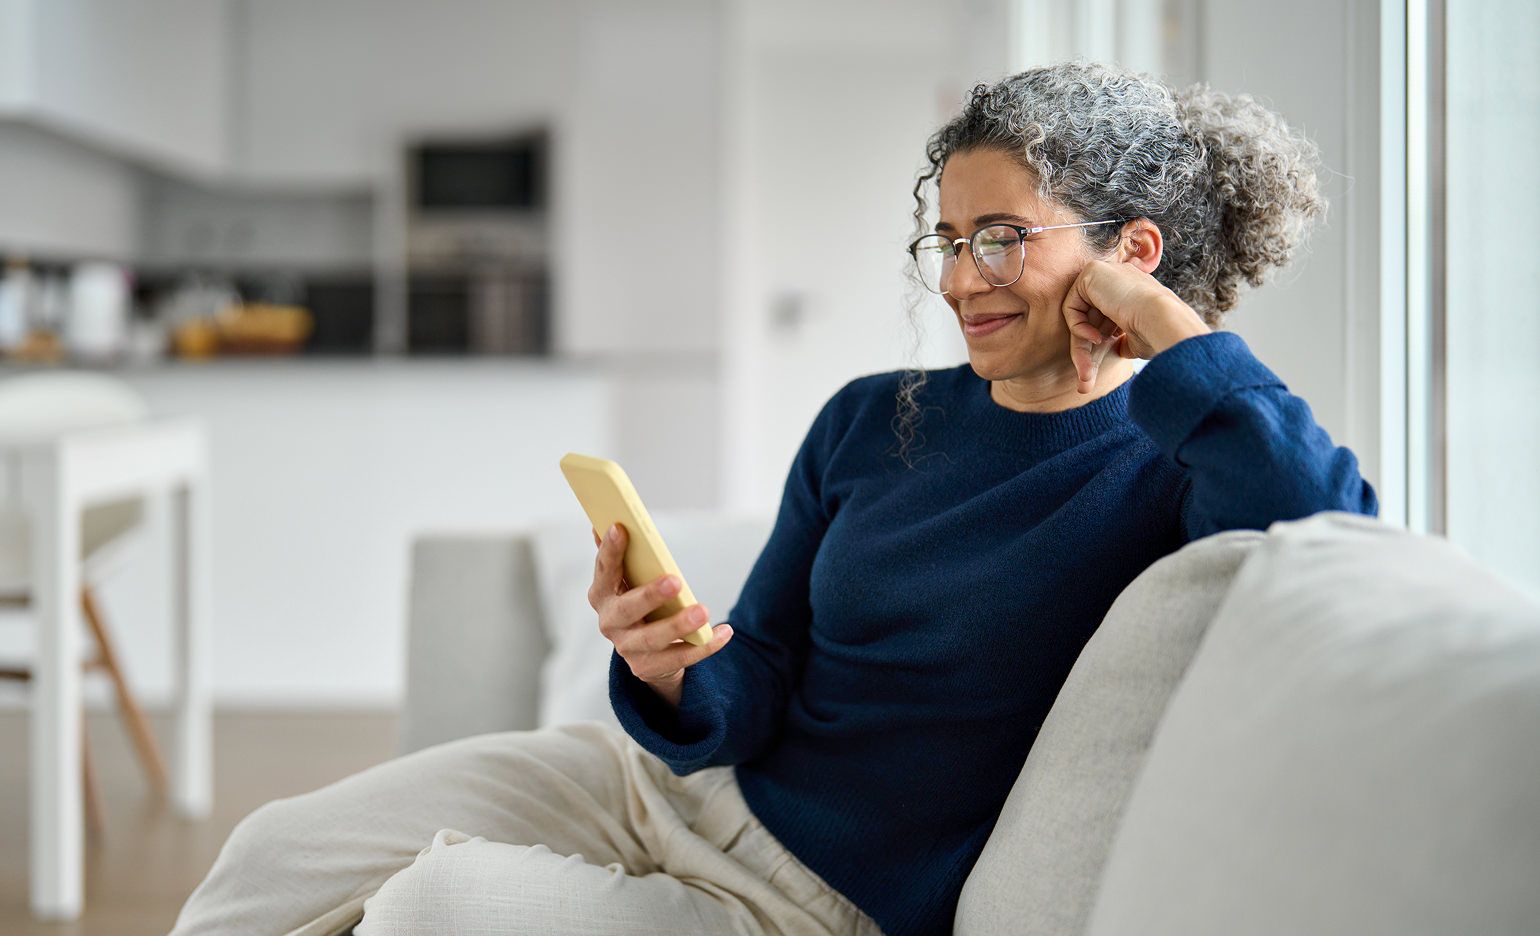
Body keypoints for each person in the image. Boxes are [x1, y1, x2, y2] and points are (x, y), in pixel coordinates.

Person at [170, 60, 1376, 936]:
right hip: (661, 786)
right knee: (277, 850)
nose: (962, 279)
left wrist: (1169, 336)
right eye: (947, 240)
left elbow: (1332, 531)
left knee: (437, 911)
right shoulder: (870, 417)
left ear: (1133, 251)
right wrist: (669, 665)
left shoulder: (1175, 459)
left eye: (1001, 236)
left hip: (811, 901)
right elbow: (759, 674)